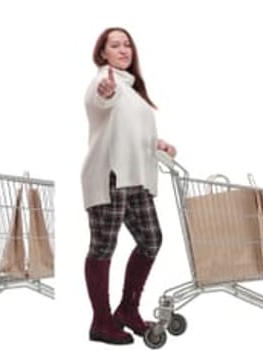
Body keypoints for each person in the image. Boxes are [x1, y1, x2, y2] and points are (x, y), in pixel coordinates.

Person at [79, 27, 179, 345]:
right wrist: (106, 92)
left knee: (151, 240)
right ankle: (101, 322)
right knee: (103, 248)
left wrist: (157, 144)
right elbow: (100, 99)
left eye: (127, 45)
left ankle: (127, 309)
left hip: (135, 179)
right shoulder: (104, 81)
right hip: (109, 175)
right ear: (102, 53)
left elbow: (131, 134)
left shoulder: (133, 89)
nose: (124, 50)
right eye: (115, 45)